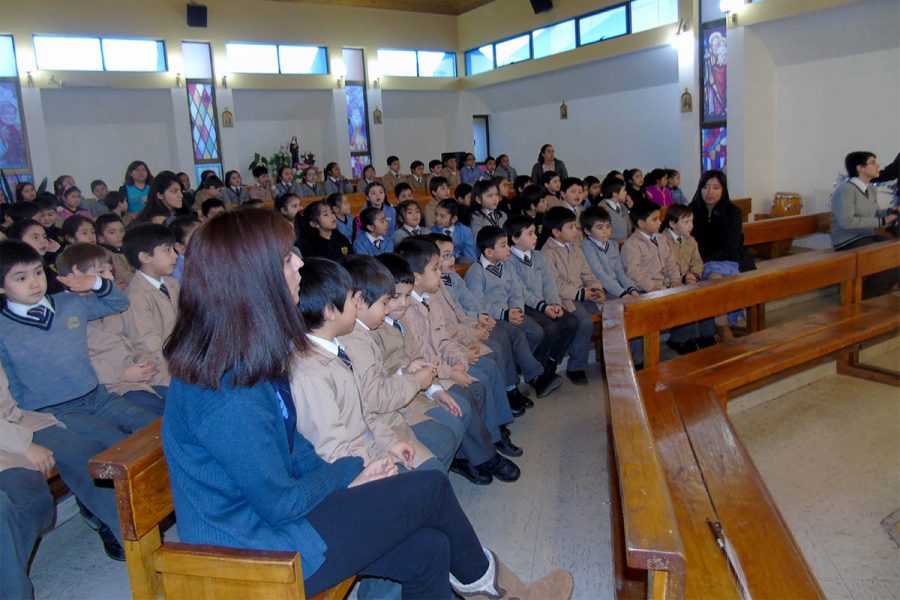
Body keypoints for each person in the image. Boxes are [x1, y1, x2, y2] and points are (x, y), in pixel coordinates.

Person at [160, 208, 573, 599]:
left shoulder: (245, 354)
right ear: (255, 280)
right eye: (287, 259)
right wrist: (351, 469)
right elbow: (279, 501)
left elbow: (294, 449)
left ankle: (486, 587)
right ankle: (495, 589)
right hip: (255, 547)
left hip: (277, 520)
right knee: (430, 488)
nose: (300, 266)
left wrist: (347, 477)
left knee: (429, 549)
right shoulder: (226, 389)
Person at [337, 255, 459, 471]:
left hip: (392, 408)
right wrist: (413, 380)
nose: (387, 310)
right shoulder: (356, 339)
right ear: (358, 299)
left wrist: (410, 373)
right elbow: (373, 399)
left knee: (449, 433)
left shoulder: (365, 330)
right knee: (440, 448)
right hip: (385, 419)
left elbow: (406, 360)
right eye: (386, 302)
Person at [57, 243, 166, 414]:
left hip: (139, 377)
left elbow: (133, 340)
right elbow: (78, 365)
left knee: (186, 400)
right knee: (161, 416)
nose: (109, 278)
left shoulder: (111, 306)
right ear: (73, 276)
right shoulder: (64, 316)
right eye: (101, 273)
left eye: (110, 271)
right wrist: (123, 374)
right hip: (109, 386)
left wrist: (144, 361)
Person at [504, 215, 580, 386]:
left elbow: (549, 283)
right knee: (549, 327)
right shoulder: (509, 261)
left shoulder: (538, 256)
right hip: (524, 305)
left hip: (544, 303)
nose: (535, 237)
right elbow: (520, 291)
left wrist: (554, 303)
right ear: (515, 238)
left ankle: (550, 366)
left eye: (534, 233)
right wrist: (543, 306)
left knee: (571, 322)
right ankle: (537, 375)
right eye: (530, 234)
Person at [538, 208, 604, 385]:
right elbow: (554, 284)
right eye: (571, 227)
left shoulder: (575, 248)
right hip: (565, 298)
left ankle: (612, 358)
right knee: (584, 321)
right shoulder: (547, 252)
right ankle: (575, 367)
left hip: (583, 293)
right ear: (556, 232)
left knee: (612, 311)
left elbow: (587, 273)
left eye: (575, 227)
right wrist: (581, 293)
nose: (576, 231)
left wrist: (596, 289)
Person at [830, 151, 899, 297]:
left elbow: (876, 212)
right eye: (873, 162)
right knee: (894, 263)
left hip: (867, 236)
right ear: (860, 168)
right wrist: (881, 221)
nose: (877, 165)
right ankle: (861, 293)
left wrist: (890, 211)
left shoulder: (871, 189)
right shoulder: (846, 190)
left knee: (896, 251)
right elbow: (846, 221)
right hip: (848, 241)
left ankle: (875, 291)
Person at [122, 224, 180, 386]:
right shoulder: (136, 296)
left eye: (174, 249)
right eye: (167, 250)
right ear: (145, 257)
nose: (175, 256)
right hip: (162, 369)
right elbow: (148, 342)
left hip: (181, 357)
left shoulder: (172, 283)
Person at [689, 170, 755, 273]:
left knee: (715, 276)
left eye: (716, 188)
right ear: (700, 189)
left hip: (727, 260)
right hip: (696, 260)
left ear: (723, 190)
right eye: (705, 187)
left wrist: (705, 261)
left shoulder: (733, 211)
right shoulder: (691, 210)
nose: (710, 192)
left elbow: (732, 245)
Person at [95, 213, 134, 289]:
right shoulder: (104, 255)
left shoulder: (123, 249)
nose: (119, 236)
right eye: (112, 232)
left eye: (121, 231)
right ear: (100, 238)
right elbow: (123, 275)